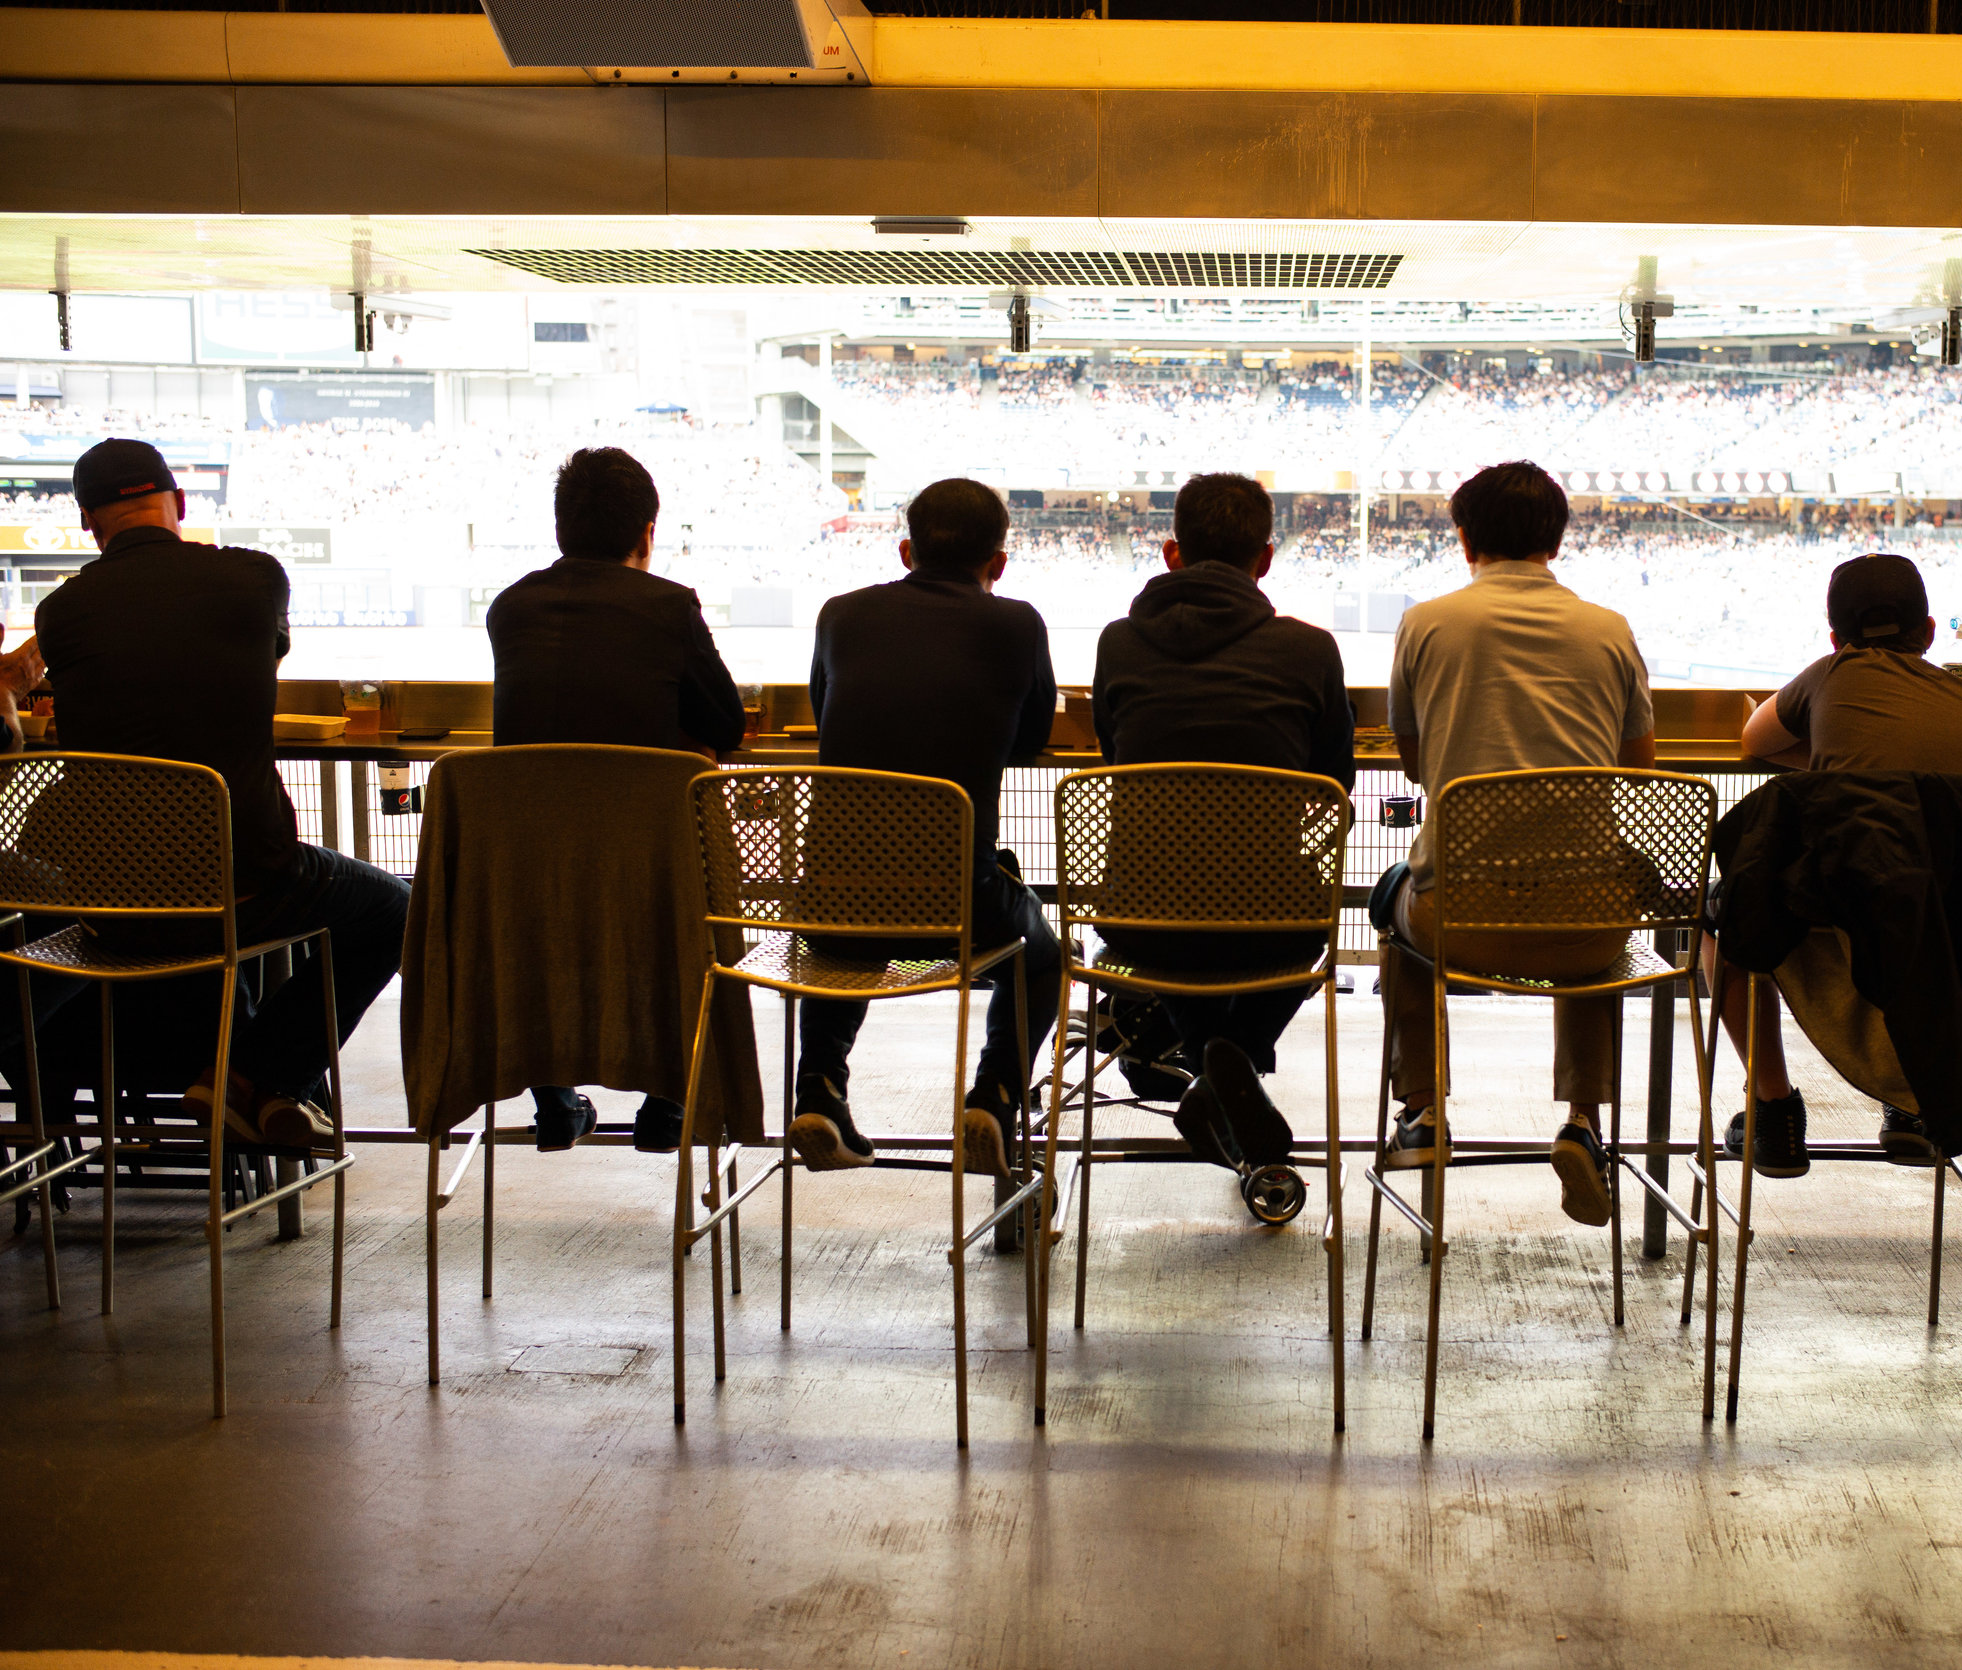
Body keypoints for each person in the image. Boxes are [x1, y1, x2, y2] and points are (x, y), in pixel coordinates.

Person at [34, 438, 410, 1148]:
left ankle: (249, 1084)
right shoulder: (254, 579)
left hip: (112, 911)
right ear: (178, 505)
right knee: (397, 908)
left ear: (88, 522)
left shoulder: (62, 612)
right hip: (245, 890)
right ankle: (256, 1077)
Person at [1706, 551, 1962, 1176]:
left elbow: (1755, 740)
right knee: (1905, 916)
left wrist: (1837, 761)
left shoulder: (1831, 673)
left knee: (1724, 921)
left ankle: (1772, 1105)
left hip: (1840, 915)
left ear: (1834, 637)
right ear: (1930, 632)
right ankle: (1910, 1101)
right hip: (1954, 935)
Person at [1376, 461, 1654, 1229]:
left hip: (1457, 917)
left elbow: (1416, 760)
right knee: (1591, 915)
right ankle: (1584, 1121)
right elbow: (1640, 768)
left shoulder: (1426, 622)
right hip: (1581, 927)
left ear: (1464, 538)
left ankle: (1424, 1110)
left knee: (1390, 912)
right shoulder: (1610, 629)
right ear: (1557, 541)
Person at [786, 478, 1062, 1177]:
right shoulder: (1018, 624)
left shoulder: (839, 616)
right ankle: (995, 1097)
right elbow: (1031, 734)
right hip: (955, 929)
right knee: (1039, 952)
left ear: (906, 550)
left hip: (837, 924)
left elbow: (826, 717)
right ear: (999, 564)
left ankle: (818, 1086)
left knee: (856, 931)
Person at [1089, 472, 1356, 1172]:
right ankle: (1227, 1067)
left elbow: (1116, 759)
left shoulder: (1118, 643)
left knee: (1171, 922)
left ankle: (1215, 1074)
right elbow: (1334, 787)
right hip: (1272, 917)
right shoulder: (1309, 649)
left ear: (1171, 554)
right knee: (1310, 917)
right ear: (1264, 560)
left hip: (1138, 916)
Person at [485, 446, 747, 1153]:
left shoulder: (510, 607)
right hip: (647, 881)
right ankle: (669, 1103)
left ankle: (553, 1101)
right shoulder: (668, 606)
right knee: (677, 896)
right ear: (646, 533)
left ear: (562, 528)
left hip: (530, 881)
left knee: (555, 921)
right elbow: (727, 724)